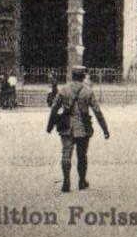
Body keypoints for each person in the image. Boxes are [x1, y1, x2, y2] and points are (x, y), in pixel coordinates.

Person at [46, 64, 110, 193]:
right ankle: (81, 181)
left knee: (66, 154)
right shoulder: (88, 91)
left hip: (66, 126)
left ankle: (66, 182)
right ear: (83, 76)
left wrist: (50, 126)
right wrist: (105, 129)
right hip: (83, 128)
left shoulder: (63, 90)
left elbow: (54, 109)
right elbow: (97, 111)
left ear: (72, 75)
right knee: (82, 156)